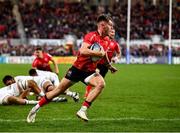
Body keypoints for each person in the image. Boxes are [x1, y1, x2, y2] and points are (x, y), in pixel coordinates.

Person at [26, 14, 114, 123]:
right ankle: (35, 109)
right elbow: (83, 51)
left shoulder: (107, 40)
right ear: (102, 25)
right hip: (77, 69)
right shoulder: (91, 36)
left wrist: (109, 66)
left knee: (101, 84)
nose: (112, 28)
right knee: (57, 91)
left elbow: (103, 54)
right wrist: (97, 53)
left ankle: (83, 110)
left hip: (90, 71)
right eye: (110, 25)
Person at [84, 21, 121, 98]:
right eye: (111, 32)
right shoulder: (102, 40)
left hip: (106, 65)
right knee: (95, 75)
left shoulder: (115, 44)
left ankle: (92, 93)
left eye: (114, 33)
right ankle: (87, 93)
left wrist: (116, 58)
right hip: (97, 63)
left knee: (100, 80)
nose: (112, 34)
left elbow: (119, 53)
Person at [3, 75, 67, 102]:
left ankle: (69, 93)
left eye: (9, 83)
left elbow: (26, 91)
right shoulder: (16, 83)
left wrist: (20, 98)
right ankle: (57, 99)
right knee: (39, 98)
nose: (10, 85)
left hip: (40, 81)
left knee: (51, 89)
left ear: (12, 79)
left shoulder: (17, 80)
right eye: (8, 85)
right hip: (35, 86)